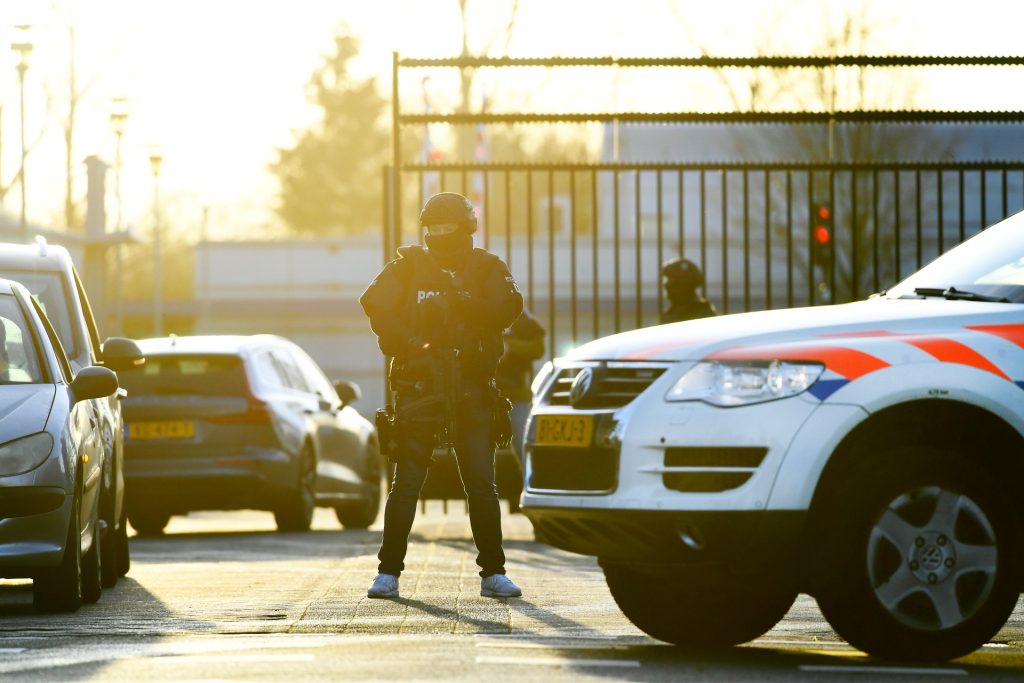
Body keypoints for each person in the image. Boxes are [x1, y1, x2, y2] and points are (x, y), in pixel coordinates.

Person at [359, 192, 524, 600]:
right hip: (419, 386)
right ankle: (388, 573)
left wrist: (466, 305)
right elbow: (373, 304)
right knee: (405, 484)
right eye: (432, 229)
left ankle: (494, 574)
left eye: (446, 228)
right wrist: (407, 340)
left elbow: (509, 308)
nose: (439, 236)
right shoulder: (409, 268)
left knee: (482, 485)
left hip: (472, 386)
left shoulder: (487, 267)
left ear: (466, 229)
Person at [494, 309, 545, 477]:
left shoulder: (516, 312)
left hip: (515, 396)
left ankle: (531, 492)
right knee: (478, 457)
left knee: (526, 453)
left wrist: (509, 346)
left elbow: (538, 348)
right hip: (481, 396)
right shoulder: (471, 306)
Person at [660, 257, 717, 324]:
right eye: (668, 281)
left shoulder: (702, 313)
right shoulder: (671, 312)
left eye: (673, 282)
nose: (667, 286)